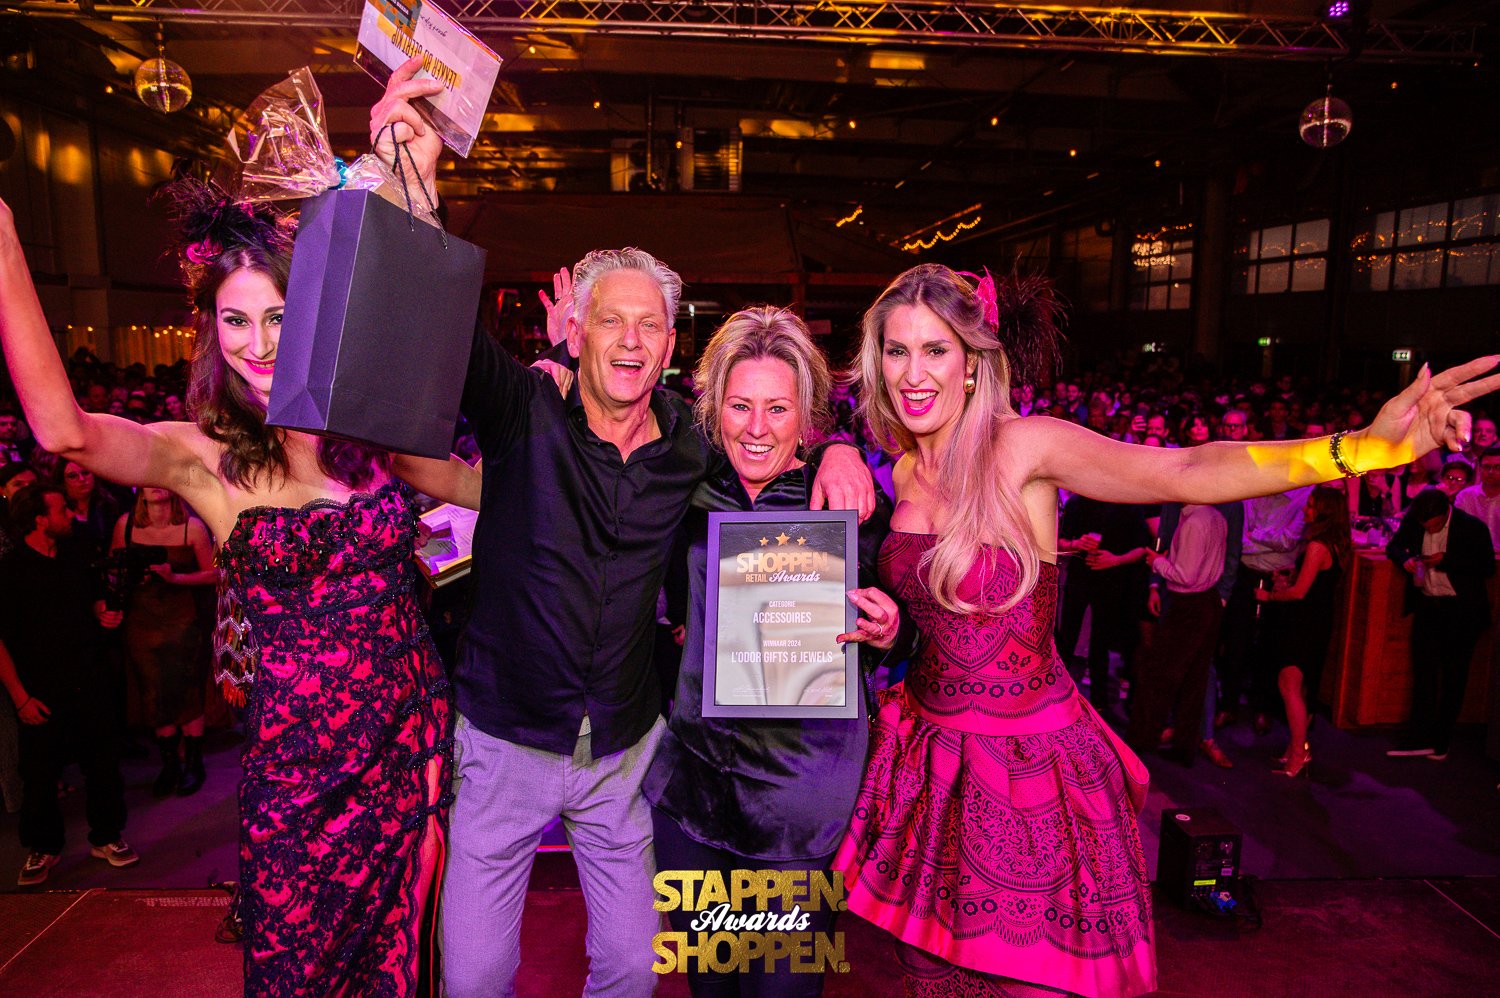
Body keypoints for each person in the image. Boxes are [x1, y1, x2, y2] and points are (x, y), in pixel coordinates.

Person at [831, 263, 1499, 997]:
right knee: (928, 973)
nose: (913, 373)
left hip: (1023, 771)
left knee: (1021, 981)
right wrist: (890, 620)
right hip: (928, 759)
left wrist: (1364, 448)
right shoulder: (903, 472)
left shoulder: (1022, 446)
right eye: (897, 351)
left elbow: (1187, 470)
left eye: (935, 350)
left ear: (972, 363)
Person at [370, 57, 875, 998]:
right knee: (477, 978)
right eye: (612, 322)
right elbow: (446, 331)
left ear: (671, 344)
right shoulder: (528, 413)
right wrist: (417, 183)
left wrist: (839, 443)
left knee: (648, 969)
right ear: (579, 331)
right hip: (523, 744)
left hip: (652, 761)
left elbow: (772, 425)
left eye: (650, 325)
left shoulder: (704, 451)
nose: (632, 340)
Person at [0, 187, 467, 993]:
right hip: (298, 779)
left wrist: (555, 405)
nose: (259, 343)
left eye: (278, 316)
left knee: (401, 970)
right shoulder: (201, 457)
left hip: (409, 747)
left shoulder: (373, 434)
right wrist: (6, 240)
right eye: (236, 320)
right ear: (211, 330)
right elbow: (63, 430)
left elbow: (490, 486)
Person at [642, 306, 904, 998]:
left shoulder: (845, 501)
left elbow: (897, 622)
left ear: (806, 414)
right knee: (710, 985)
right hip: (695, 797)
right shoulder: (689, 487)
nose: (757, 428)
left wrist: (887, 632)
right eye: (740, 406)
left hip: (797, 807)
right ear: (714, 408)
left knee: (781, 990)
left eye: (777, 408)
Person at [0, 483, 135, 885]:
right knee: (39, 773)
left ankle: (107, 836)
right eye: (61, 510)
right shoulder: (10, 571)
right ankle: (44, 846)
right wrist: (20, 698)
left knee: (103, 763)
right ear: (40, 519)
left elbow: (90, 600)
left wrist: (102, 613)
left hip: (88, 676)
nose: (71, 516)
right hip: (40, 687)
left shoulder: (75, 554)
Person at [109, 488, 216, 796]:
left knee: (185, 687)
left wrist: (175, 578)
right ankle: (169, 764)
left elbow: (215, 574)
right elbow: (114, 571)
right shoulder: (125, 525)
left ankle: (193, 762)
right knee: (152, 689)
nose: (154, 486)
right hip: (142, 622)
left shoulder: (192, 527)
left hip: (182, 621)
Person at [1385, 488, 1495, 761]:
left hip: (1462, 611)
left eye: (1434, 526)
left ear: (1447, 512)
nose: (1430, 530)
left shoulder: (1472, 527)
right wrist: (1405, 559)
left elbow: (1487, 567)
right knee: (1423, 673)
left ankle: (1441, 741)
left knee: (1454, 676)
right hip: (1427, 604)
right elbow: (1393, 546)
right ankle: (1419, 737)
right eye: (1426, 526)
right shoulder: (1415, 520)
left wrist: (1447, 561)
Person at [1255, 485, 1352, 778]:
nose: (1305, 509)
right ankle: (1295, 749)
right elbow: (1316, 584)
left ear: (1324, 512)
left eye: (1311, 505)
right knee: (1297, 687)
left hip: (1304, 623)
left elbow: (1300, 593)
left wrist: (1269, 596)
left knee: (1289, 686)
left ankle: (1299, 753)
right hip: (1317, 620)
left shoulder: (1317, 546)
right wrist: (1290, 575)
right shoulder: (1334, 545)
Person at [1455, 446, 1500, 544]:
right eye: (1487, 467)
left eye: (1497, 467)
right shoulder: (1465, 496)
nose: (1491, 472)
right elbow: (1458, 530)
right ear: (1479, 468)